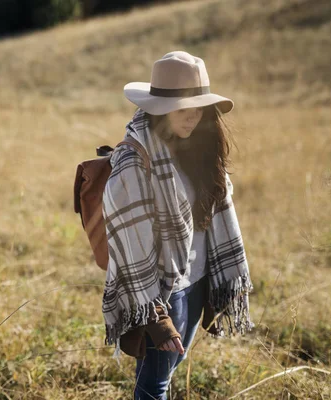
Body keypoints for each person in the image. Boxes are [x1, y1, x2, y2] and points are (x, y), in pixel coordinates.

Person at [101, 51, 254, 400]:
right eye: (184, 107)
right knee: (154, 384)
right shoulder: (133, 162)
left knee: (165, 375)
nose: (194, 116)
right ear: (158, 108)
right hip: (163, 294)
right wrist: (156, 315)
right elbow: (131, 249)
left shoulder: (194, 150)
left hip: (197, 281)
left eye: (199, 107)